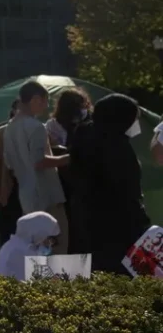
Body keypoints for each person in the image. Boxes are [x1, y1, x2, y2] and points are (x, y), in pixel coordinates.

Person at [69, 93, 150, 273]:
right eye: (134, 118)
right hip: (118, 228)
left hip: (85, 221)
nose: (135, 124)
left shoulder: (84, 136)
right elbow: (128, 192)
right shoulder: (118, 147)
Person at [3, 81, 70, 254]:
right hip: (46, 195)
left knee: (35, 247)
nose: (46, 106)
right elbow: (39, 162)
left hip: (26, 195)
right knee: (58, 245)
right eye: (45, 101)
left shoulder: (9, 127)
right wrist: (68, 158)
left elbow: (10, 164)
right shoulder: (36, 127)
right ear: (35, 99)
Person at [0, 99, 23, 245]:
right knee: (9, 227)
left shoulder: (39, 129)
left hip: (26, 188)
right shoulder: (3, 133)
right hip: (10, 187)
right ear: (13, 110)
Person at [0, 211, 60, 281]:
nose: (49, 245)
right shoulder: (21, 252)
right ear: (39, 233)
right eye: (48, 239)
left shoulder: (10, 246)